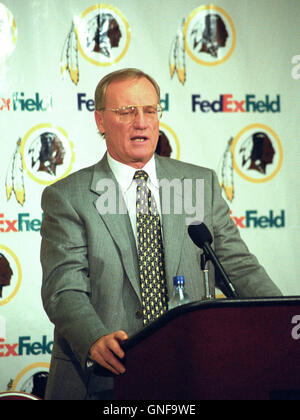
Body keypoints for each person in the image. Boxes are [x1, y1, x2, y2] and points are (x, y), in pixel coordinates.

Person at [40, 68, 282, 400]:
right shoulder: (69, 197)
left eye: (150, 110)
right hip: (104, 380)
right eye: (126, 111)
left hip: (190, 373)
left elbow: (239, 268)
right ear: (100, 121)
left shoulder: (198, 185)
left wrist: (284, 322)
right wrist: (94, 338)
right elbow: (63, 288)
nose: (141, 122)